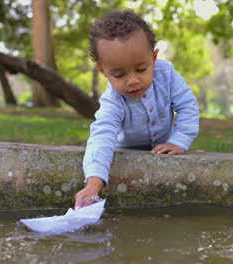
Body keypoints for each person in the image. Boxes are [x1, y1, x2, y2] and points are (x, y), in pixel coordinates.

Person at [74, 9, 199, 209]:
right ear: (103, 71)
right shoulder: (113, 99)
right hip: (126, 149)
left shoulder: (167, 75)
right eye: (119, 75)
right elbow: (102, 135)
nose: (132, 81)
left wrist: (180, 141)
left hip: (164, 146)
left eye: (141, 69)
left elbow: (187, 106)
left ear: (154, 58)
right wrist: (94, 183)